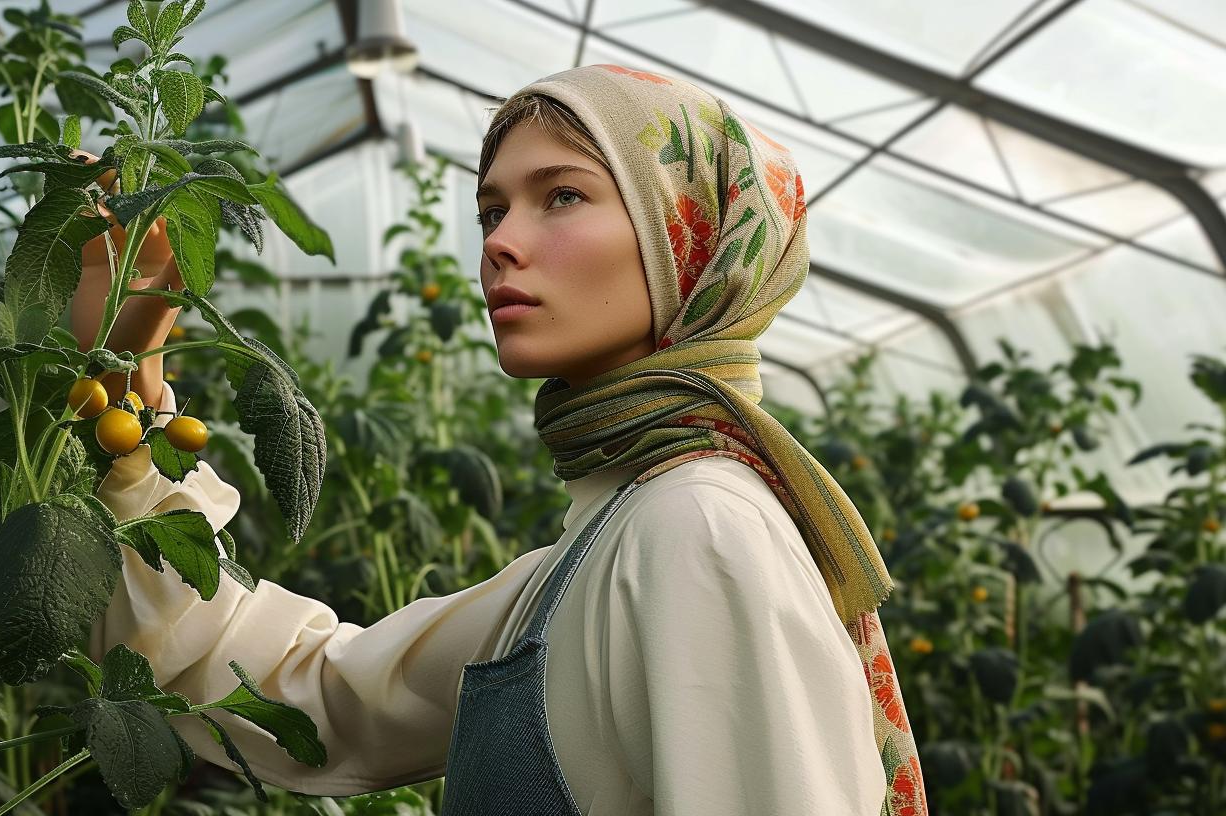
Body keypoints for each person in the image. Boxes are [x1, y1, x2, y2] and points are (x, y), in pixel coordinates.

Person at [78, 63, 927, 815]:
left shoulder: (695, 526)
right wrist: (128, 385)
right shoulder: (617, 532)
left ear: (691, 236)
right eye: (492, 210)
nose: (499, 245)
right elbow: (311, 697)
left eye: (563, 195)